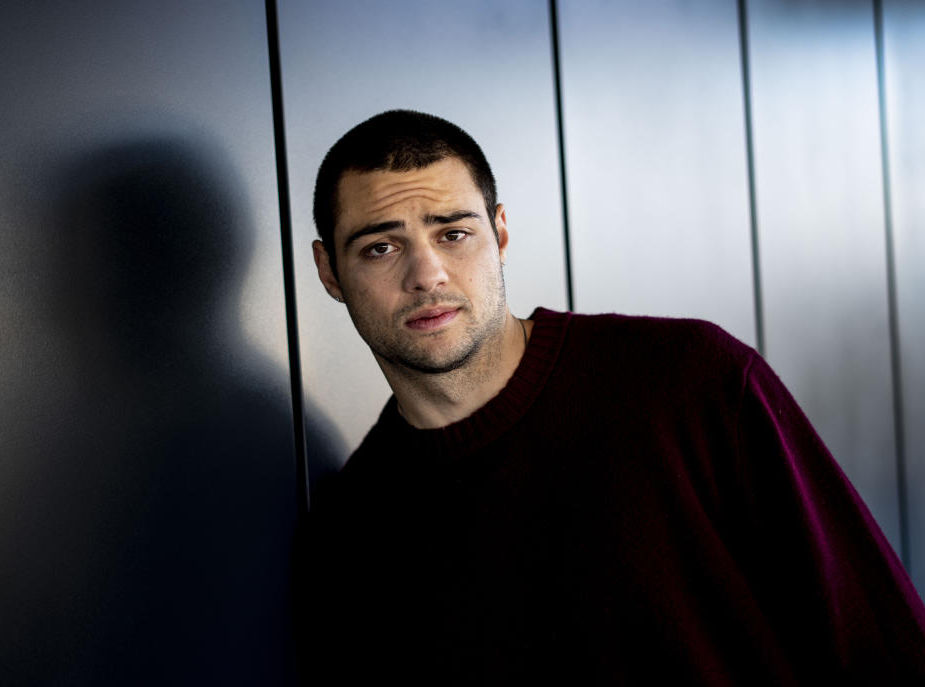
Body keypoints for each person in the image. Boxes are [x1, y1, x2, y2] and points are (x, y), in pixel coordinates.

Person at [294, 109, 925, 684]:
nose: (426, 274)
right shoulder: (354, 530)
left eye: (453, 233)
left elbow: (880, 642)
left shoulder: (691, 383)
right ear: (329, 272)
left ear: (501, 232)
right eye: (381, 247)